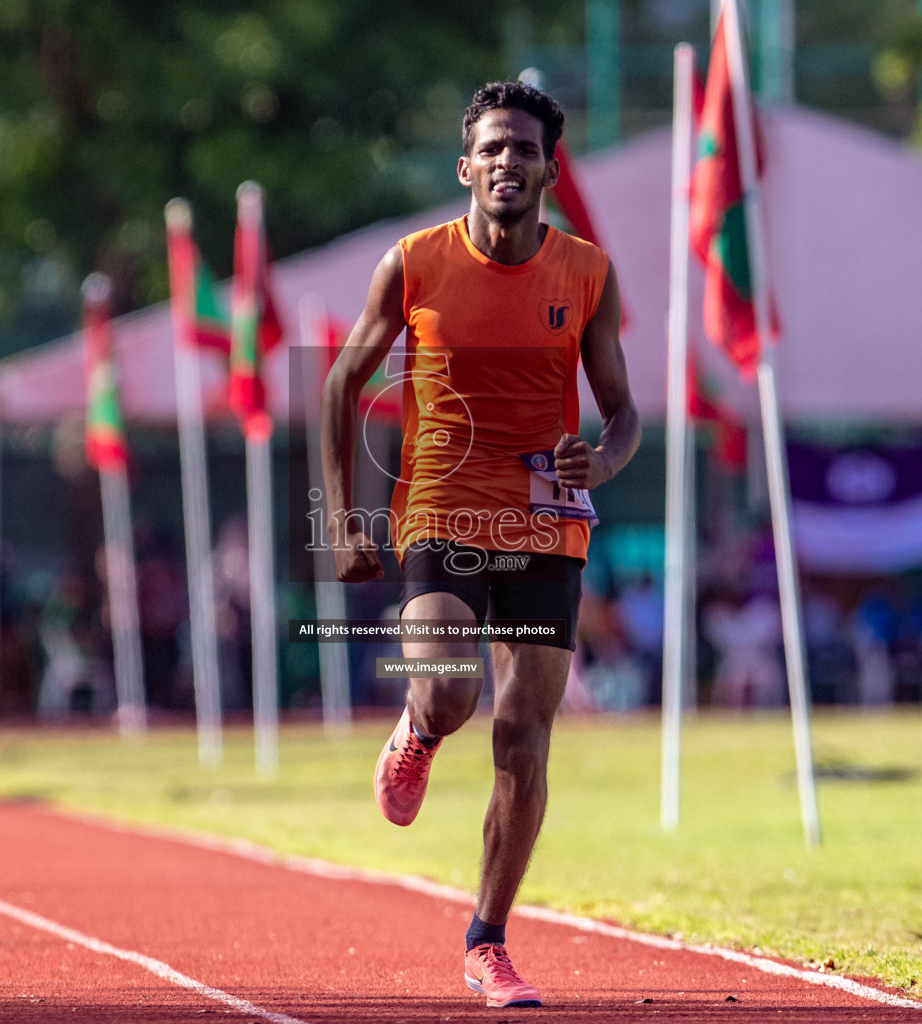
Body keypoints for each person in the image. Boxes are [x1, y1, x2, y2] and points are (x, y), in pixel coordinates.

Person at [321, 81, 638, 1009]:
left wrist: (602, 462)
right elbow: (342, 382)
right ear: (466, 165)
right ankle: (418, 731)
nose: (509, 162)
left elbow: (623, 416)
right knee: (452, 691)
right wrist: (343, 518)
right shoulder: (414, 264)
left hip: (546, 521)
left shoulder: (587, 275)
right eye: (493, 147)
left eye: (526, 150)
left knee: (523, 734)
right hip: (443, 509)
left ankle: (487, 941)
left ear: (548, 167)